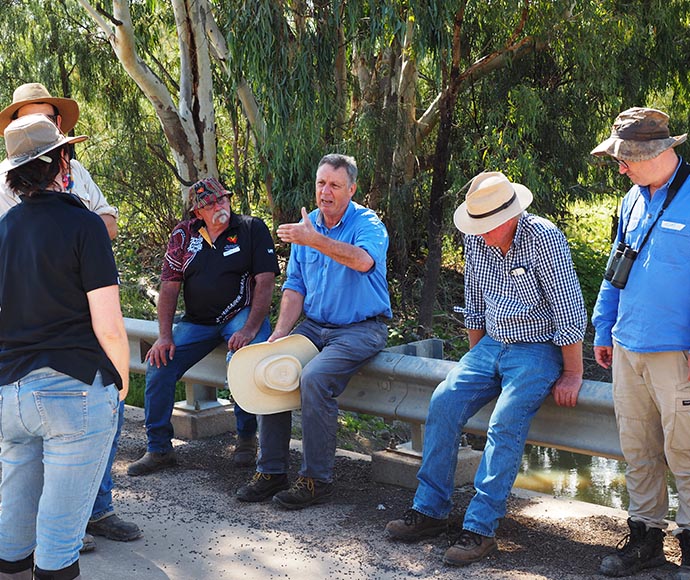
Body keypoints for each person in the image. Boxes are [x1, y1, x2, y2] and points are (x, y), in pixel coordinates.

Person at [385, 171, 587, 566]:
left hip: (537, 347)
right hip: (491, 343)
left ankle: (480, 528)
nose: (478, 234)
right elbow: (474, 304)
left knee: (505, 421)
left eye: (485, 227)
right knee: (445, 399)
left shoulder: (544, 238)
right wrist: (478, 367)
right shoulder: (476, 240)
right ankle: (430, 510)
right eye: (474, 226)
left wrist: (573, 372)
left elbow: (568, 310)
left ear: (508, 217)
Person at [0, 84, 137, 550]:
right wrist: (120, 381)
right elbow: (110, 324)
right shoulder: (83, 223)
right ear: (60, 162)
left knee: (13, 532)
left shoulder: (5, 228)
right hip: (73, 383)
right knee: (59, 538)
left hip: (12, 388)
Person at [235, 153, 391, 509]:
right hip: (314, 326)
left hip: (360, 328)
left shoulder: (367, 223)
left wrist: (313, 239)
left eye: (335, 185)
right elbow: (295, 287)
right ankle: (271, 470)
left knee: (315, 378)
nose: (326, 191)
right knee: (270, 364)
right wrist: (279, 334)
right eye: (321, 183)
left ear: (351, 189)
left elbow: (363, 260)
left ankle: (316, 480)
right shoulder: (308, 227)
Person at [591, 107, 690, 579]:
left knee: (687, 451)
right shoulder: (631, 199)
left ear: (652, 152)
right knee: (638, 449)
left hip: (678, 352)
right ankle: (646, 538)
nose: (620, 167)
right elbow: (616, 267)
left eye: (623, 159)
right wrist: (603, 326)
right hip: (627, 346)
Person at [127, 177, 280, 475]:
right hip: (197, 321)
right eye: (209, 204)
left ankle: (246, 438)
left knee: (243, 362)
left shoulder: (251, 228)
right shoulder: (183, 234)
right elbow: (169, 286)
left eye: (222, 199)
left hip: (241, 314)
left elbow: (266, 282)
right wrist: (164, 336)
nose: (219, 205)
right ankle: (158, 449)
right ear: (197, 212)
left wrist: (250, 328)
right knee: (160, 364)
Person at [0, 83, 119, 239]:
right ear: (14, 126)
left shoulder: (75, 169)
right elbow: (28, 242)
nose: (38, 127)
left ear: (58, 122)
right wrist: (86, 227)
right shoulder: (4, 182)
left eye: (45, 120)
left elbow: (110, 226)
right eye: (28, 121)